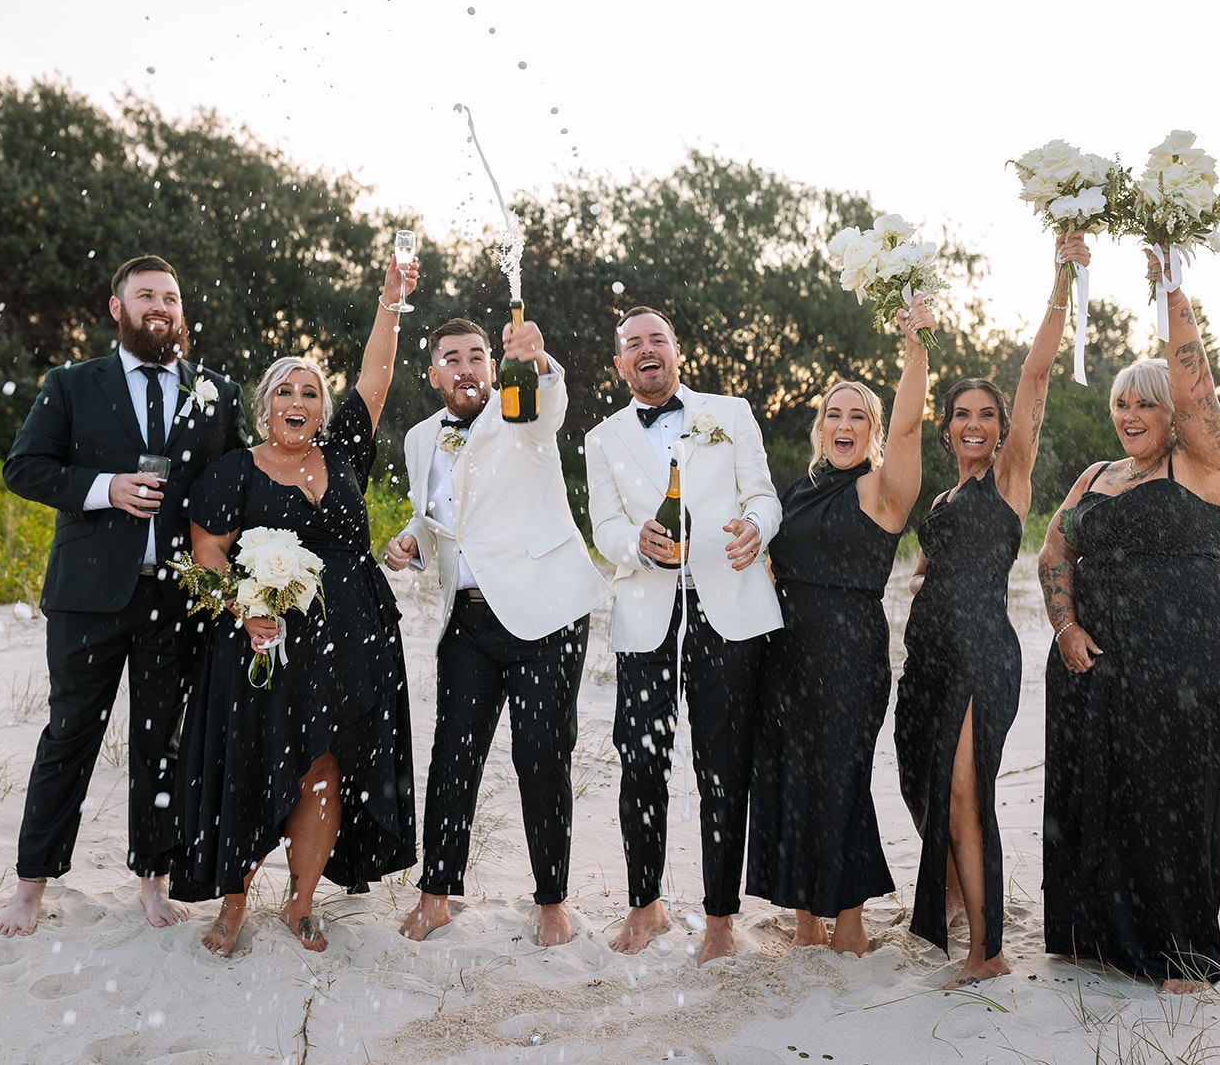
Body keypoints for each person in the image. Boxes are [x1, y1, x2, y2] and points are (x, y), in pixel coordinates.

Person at [169, 254, 419, 955]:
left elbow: (376, 377)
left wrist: (390, 302)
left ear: (322, 409)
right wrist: (242, 612)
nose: (298, 400)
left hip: (353, 637)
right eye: (286, 390)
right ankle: (233, 904)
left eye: (310, 391)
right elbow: (207, 553)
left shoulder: (345, 455)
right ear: (266, 405)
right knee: (254, 764)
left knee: (325, 768)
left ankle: (301, 902)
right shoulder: (234, 470)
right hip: (265, 640)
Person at [0, 255, 245, 938]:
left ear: (182, 310)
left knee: (162, 742)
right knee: (69, 736)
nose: (160, 306)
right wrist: (107, 488)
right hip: (86, 596)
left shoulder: (217, 390)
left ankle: (152, 879)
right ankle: (30, 885)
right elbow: (24, 467)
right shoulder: (72, 383)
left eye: (171, 296)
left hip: (179, 598)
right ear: (117, 307)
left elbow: (237, 482)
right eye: (145, 295)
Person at [1037, 250, 1220, 993]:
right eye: (1120, 403)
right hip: (1092, 662)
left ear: (1172, 415)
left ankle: (1180, 951)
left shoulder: (1202, 465)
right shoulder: (1094, 476)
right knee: (1095, 792)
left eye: (1144, 404)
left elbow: (1195, 382)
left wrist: (1171, 289)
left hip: (1184, 658)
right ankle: (1096, 934)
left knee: (1173, 794)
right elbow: (1054, 553)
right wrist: (1065, 627)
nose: (1128, 415)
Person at [894, 233, 1090, 986]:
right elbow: (932, 565)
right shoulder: (941, 499)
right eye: (961, 414)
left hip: (982, 651)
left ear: (1002, 427)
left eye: (986, 414)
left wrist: (1060, 280)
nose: (973, 423)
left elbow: (1035, 375)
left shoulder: (1008, 480)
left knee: (966, 792)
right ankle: (951, 894)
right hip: (929, 657)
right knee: (926, 783)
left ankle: (989, 953)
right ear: (946, 426)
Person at [385, 317, 611, 946]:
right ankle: (435, 896)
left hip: (545, 613)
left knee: (540, 755)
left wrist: (536, 360)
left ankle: (552, 902)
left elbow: (549, 407)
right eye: (452, 358)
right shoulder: (420, 438)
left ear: (492, 365)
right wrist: (411, 540)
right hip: (467, 619)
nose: (465, 368)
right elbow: (436, 517)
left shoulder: (520, 409)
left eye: (476, 356)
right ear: (434, 374)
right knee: (452, 755)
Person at [585, 305, 782, 965]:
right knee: (640, 760)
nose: (647, 350)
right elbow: (605, 526)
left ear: (676, 350)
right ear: (620, 362)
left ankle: (720, 918)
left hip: (727, 610)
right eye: (633, 343)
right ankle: (645, 904)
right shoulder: (602, 438)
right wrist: (633, 542)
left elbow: (764, 497)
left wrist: (758, 526)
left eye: (657, 339)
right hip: (646, 614)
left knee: (723, 766)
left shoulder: (730, 413)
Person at [748, 298, 933, 956]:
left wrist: (916, 350)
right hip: (785, 650)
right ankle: (805, 918)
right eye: (834, 412)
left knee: (841, 778)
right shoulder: (797, 491)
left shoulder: (882, 489)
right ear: (820, 426)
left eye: (859, 415)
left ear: (873, 430)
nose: (844, 423)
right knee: (791, 776)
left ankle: (849, 922)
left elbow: (909, 429)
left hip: (850, 652)